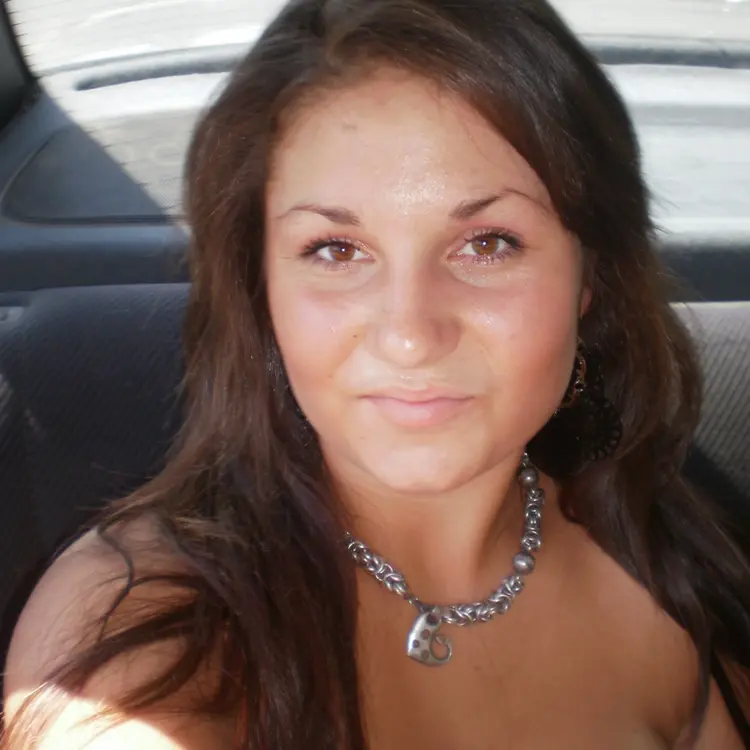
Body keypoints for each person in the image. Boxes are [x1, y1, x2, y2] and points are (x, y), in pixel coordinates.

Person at [3, 0, 749, 747]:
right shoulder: (138, 629)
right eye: (336, 250)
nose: (409, 337)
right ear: (262, 292)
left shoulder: (670, 570)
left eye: (488, 244)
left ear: (590, 278)